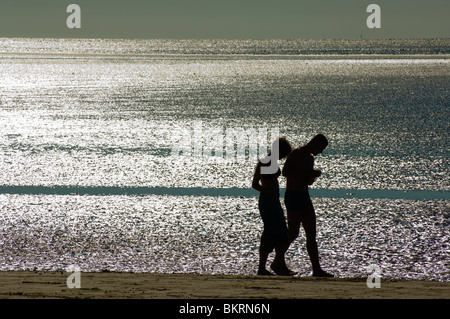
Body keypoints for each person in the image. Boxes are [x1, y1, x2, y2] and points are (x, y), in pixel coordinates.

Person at [273, 134, 333, 277]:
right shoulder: (297, 153)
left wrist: (312, 176)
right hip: (293, 195)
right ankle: (277, 261)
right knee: (293, 233)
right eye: (321, 148)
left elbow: (307, 181)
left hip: (304, 195)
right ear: (315, 144)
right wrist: (307, 173)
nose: (321, 152)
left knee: (311, 233)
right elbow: (286, 172)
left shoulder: (310, 158)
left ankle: (317, 269)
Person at [252, 137, 293, 276]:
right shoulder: (264, 162)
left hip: (273, 201)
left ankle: (279, 265)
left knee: (280, 233)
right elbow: (255, 184)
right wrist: (268, 192)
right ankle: (265, 268)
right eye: (283, 153)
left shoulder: (273, 162)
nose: (283, 157)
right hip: (267, 201)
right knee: (273, 232)